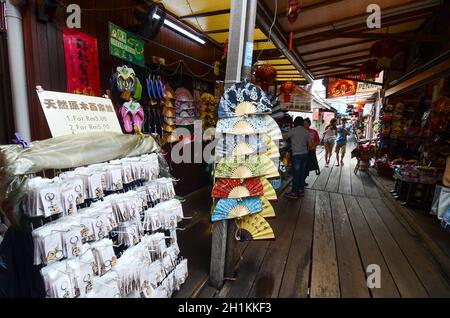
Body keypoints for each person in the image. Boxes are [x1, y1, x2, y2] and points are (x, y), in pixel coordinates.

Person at [283, 117, 312, 199]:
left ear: (295, 122)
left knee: (296, 174)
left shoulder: (293, 130)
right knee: (302, 173)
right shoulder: (306, 132)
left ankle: (294, 193)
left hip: (297, 155)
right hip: (305, 154)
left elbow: (284, 138)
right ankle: (301, 191)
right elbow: (310, 145)